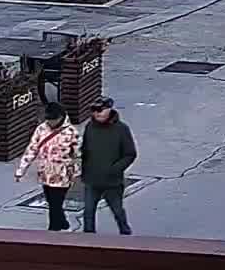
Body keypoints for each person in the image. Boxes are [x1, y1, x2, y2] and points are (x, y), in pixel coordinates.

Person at [14, 101, 81, 231]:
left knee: (55, 203)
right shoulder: (41, 129)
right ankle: (62, 222)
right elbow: (32, 149)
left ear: (61, 117)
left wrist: (77, 172)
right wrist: (21, 169)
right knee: (52, 202)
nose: (51, 122)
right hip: (45, 174)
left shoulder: (72, 133)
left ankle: (53, 230)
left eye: (53, 119)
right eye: (49, 119)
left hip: (63, 175)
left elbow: (79, 154)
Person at [80, 98, 137, 235]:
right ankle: (88, 239)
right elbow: (85, 149)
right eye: (93, 111)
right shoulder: (90, 127)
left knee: (117, 210)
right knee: (88, 211)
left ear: (109, 109)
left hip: (112, 182)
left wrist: (114, 169)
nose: (97, 114)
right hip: (92, 179)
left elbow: (130, 154)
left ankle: (125, 234)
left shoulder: (121, 129)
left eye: (100, 110)